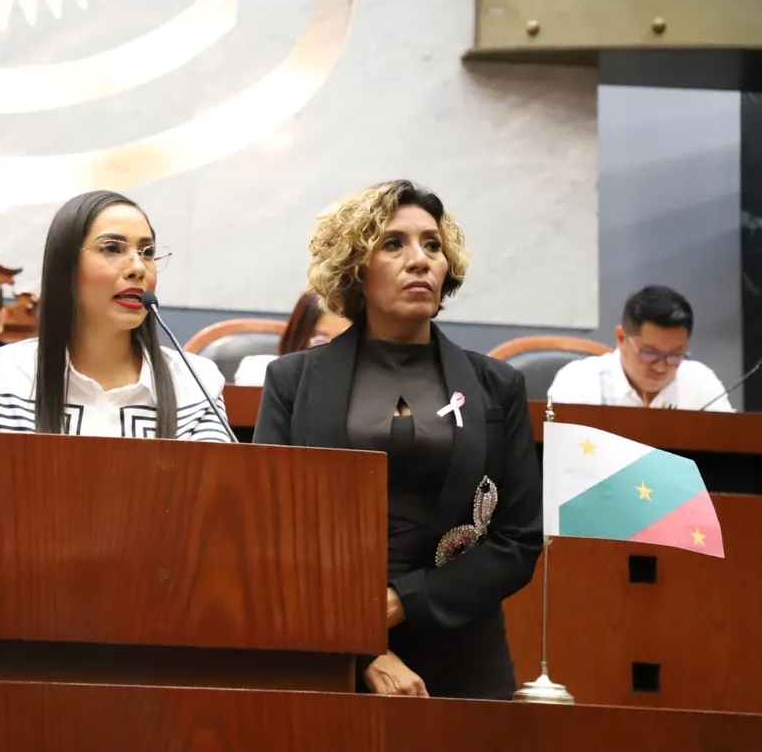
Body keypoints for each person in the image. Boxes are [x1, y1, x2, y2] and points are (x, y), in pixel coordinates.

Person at [253, 180, 542, 700]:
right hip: (326, 647)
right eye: (394, 244)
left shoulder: (498, 386)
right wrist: (364, 646)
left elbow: (517, 539)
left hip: (461, 651)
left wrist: (399, 602)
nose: (421, 260)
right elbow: (271, 529)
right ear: (356, 268)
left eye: (432, 245)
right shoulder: (292, 381)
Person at [0, 190, 232, 441]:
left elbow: (214, 494)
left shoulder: (197, 386)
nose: (138, 268)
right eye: (112, 248)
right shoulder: (3, 376)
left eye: (147, 252)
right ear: (66, 269)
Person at [546, 285, 733, 412]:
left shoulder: (701, 382)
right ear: (621, 338)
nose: (661, 367)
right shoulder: (578, 382)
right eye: (649, 353)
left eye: (675, 355)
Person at [232, 291, 352, 386]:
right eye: (319, 340)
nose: (331, 351)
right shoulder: (259, 373)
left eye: (343, 340)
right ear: (298, 338)